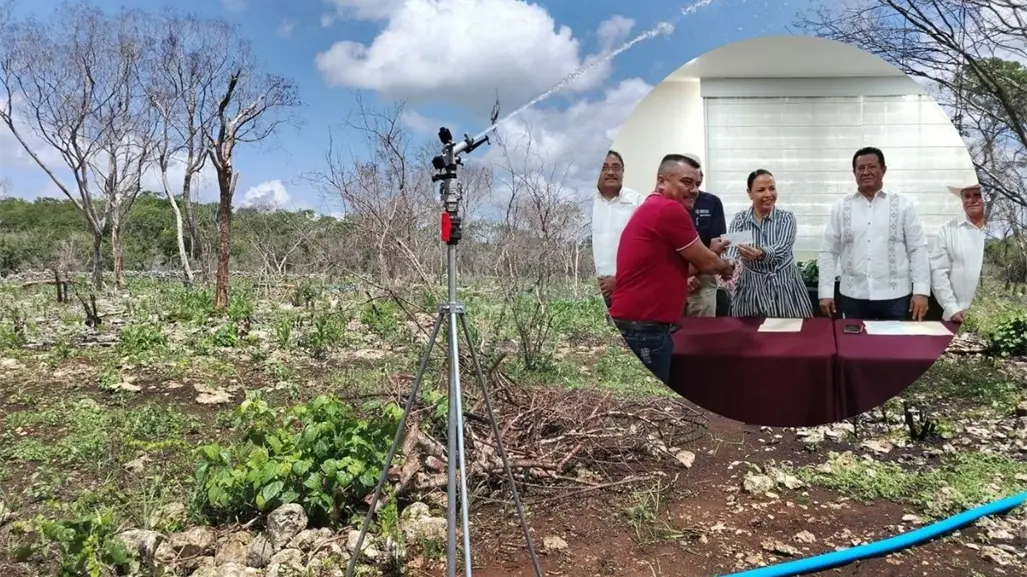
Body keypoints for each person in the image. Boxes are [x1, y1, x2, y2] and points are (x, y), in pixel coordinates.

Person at [609, 154, 734, 384]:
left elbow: (683, 268)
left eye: (697, 184)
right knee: (648, 405)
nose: (694, 190)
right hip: (644, 330)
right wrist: (725, 266)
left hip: (639, 327)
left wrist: (713, 256)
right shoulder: (669, 210)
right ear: (662, 181)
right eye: (687, 182)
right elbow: (706, 263)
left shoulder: (652, 207)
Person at [817, 146, 931, 321]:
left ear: (883, 170)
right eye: (860, 168)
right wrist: (825, 292)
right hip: (853, 296)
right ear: (854, 172)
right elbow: (829, 251)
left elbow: (917, 249)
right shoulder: (841, 206)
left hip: (895, 296)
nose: (866, 172)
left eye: (871, 167)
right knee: (854, 347)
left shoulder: (903, 205)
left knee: (894, 346)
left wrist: (921, 292)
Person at [725, 169, 813, 318]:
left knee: (792, 337)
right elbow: (732, 251)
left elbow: (782, 248)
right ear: (749, 193)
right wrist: (729, 263)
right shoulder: (740, 220)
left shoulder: (786, 218)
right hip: (751, 290)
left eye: (772, 188)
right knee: (751, 336)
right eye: (761, 190)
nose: (768, 194)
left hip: (786, 289)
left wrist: (761, 253)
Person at [929, 173, 987, 323]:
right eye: (966, 196)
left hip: (995, 317)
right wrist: (952, 308)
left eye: (977, 195)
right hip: (957, 316)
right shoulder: (948, 230)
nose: (972, 200)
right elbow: (939, 272)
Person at [591, 150, 643, 309]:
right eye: (604, 167)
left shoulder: (638, 202)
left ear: (623, 171)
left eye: (616, 167)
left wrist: (619, 278)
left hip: (628, 286)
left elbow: (646, 248)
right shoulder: (584, 200)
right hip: (588, 289)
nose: (611, 172)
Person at [681, 154, 727, 317]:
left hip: (704, 278)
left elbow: (717, 245)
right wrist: (682, 277)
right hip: (672, 278)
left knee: (703, 333)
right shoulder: (668, 204)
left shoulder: (712, 202)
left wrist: (692, 272)